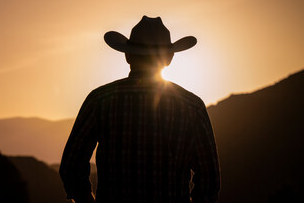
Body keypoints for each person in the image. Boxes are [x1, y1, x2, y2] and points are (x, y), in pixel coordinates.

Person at [59, 16, 220, 203]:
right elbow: (209, 179)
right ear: (169, 58)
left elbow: (72, 166)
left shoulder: (100, 100)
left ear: (127, 55)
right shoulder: (192, 106)